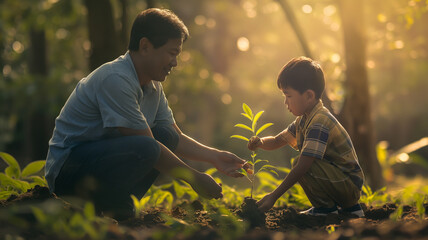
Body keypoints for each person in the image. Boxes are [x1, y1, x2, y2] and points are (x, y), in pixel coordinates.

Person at [45, 8, 248, 220]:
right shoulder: (115, 79)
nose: (175, 62)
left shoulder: (152, 86)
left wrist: (215, 157)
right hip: (68, 171)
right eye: (172, 53)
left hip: (98, 163)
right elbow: (149, 147)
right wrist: (194, 179)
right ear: (145, 46)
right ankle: (109, 203)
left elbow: (173, 138)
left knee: (165, 137)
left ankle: (115, 203)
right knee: (149, 147)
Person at [248, 57, 365, 217]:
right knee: (303, 164)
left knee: (302, 164)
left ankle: (330, 210)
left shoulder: (319, 122)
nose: (285, 102)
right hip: (339, 182)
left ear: (309, 96)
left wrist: (273, 196)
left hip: (347, 185)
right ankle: (334, 209)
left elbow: (303, 166)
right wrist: (260, 142)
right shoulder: (304, 120)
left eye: (288, 96)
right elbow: (277, 140)